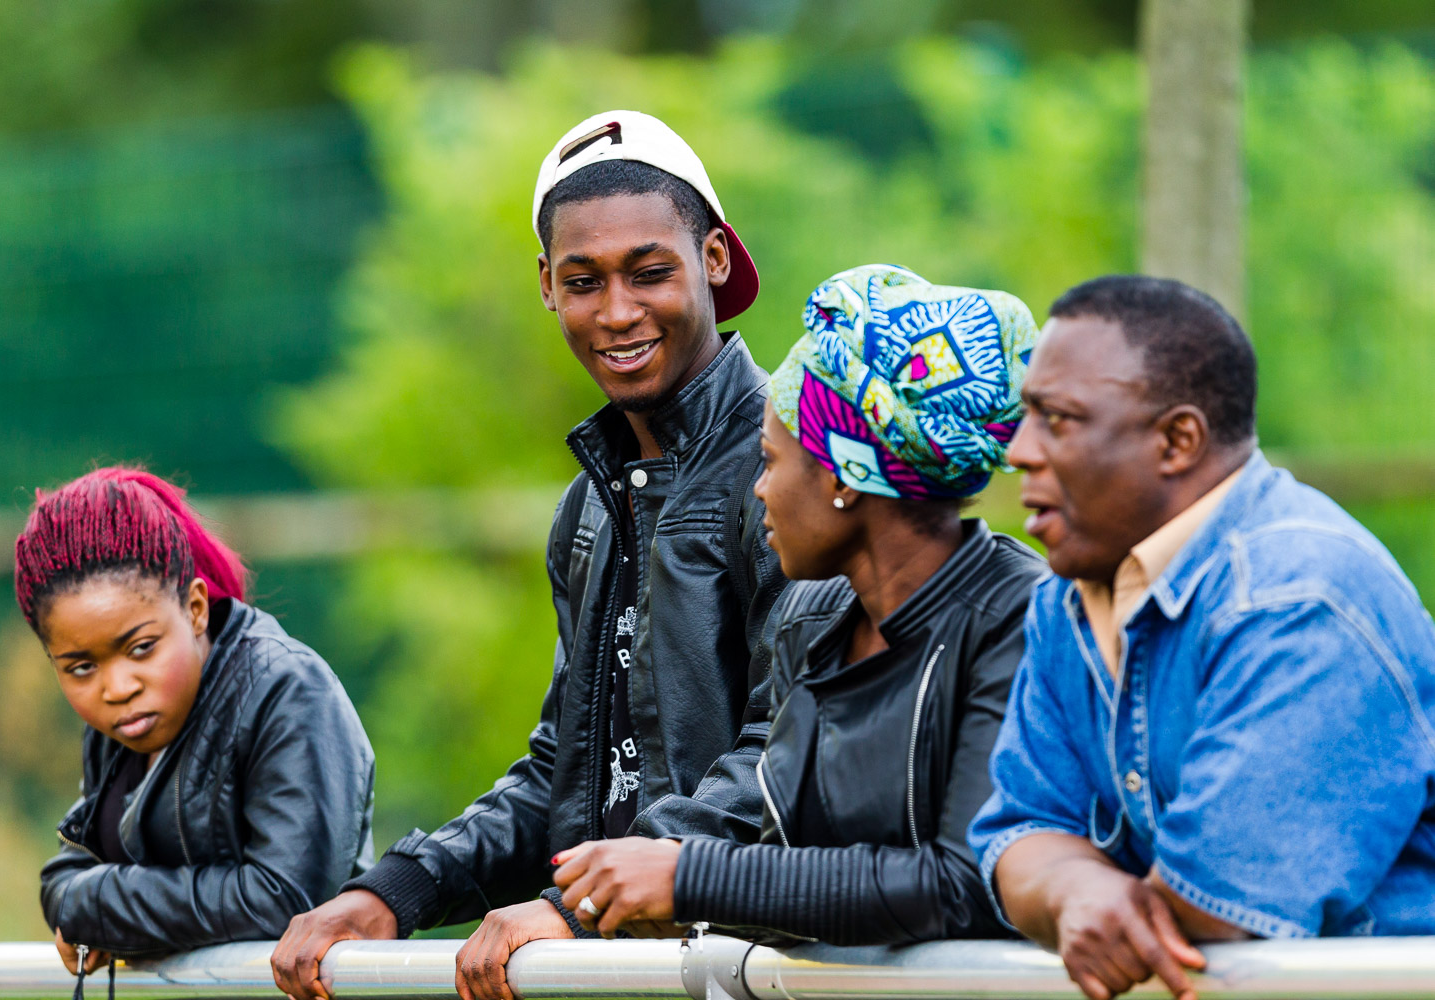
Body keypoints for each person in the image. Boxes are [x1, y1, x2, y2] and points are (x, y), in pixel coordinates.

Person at [273, 110, 787, 1000]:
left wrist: (576, 906)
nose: (618, 311)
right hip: (619, 976)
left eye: (650, 271)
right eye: (584, 280)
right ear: (547, 286)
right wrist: (400, 889)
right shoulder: (589, 507)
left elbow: (790, 754)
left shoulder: (794, 473)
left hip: (756, 973)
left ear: (714, 258)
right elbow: (565, 769)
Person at [968, 275, 1435, 1000]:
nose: (1018, 451)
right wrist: (1073, 894)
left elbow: (1212, 908)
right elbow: (1014, 833)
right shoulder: (1068, 598)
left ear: (1178, 440)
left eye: (1056, 420)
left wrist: (1073, 888)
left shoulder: (1298, 596)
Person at [549, 264, 1046, 943]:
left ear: (844, 475)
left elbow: (961, 882)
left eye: (772, 461)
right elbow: (789, 865)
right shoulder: (813, 629)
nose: (760, 491)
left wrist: (687, 876)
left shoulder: (1020, 619)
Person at [20, 467, 375, 972]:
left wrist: (106, 910)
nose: (117, 687)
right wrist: (100, 908)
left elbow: (288, 898)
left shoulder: (287, 689)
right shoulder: (127, 722)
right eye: (81, 667)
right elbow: (67, 878)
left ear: (195, 608)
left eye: (141, 648)